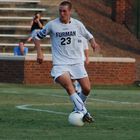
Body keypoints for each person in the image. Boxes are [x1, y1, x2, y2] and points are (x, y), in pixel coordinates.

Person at [33, 1, 100, 123]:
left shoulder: (77, 24)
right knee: (70, 87)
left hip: (77, 63)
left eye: (64, 11)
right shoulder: (52, 25)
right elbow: (37, 37)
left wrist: (94, 44)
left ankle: (78, 108)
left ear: (69, 12)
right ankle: (84, 113)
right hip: (60, 64)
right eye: (60, 11)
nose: (62, 13)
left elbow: (89, 35)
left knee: (86, 89)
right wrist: (39, 53)